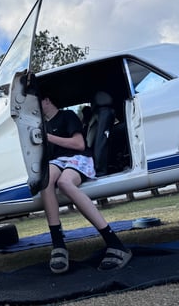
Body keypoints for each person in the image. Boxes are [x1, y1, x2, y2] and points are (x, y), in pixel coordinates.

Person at [40, 96, 132, 274]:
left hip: (78, 156)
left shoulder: (67, 116)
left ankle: (114, 243)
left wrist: (48, 137)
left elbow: (79, 144)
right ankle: (58, 245)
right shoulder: (42, 125)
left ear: (47, 100)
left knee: (65, 183)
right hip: (57, 161)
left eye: (38, 101)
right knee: (46, 182)